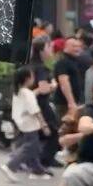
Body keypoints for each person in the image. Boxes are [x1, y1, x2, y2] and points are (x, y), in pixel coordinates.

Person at [0, 67, 52, 182]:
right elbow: (35, 110)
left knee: (33, 148)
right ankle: (10, 166)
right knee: (30, 147)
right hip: (30, 123)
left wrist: (37, 91)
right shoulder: (27, 93)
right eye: (32, 77)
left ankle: (37, 171)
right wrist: (44, 125)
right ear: (27, 79)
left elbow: (30, 97)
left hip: (22, 122)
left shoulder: (18, 91)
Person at [29, 36, 61, 168]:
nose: (51, 50)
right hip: (41, 104)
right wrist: (53, 86)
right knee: (53, 131)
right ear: (42, 50)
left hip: (30, 104)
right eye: (49, 47)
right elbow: (43, 89)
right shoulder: (41, 68)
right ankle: (45, 160)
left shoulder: (30, 65)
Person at [54, 37, 87, 122]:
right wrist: (71, 102)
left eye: (78, 46)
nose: (77, 49)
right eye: (74, 46)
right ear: (66, 47)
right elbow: (64, 82)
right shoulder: (63, 62)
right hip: (65, 103)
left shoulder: (74, 61)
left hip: (75, 101)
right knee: (65, 126)